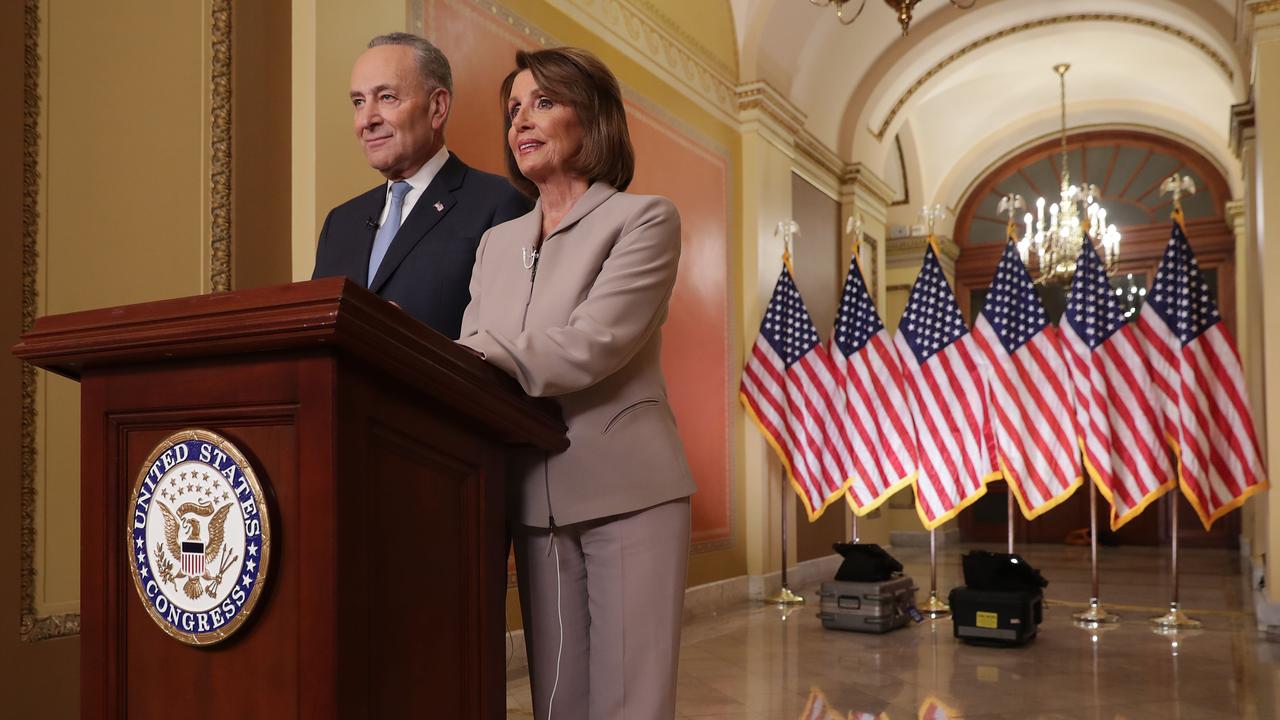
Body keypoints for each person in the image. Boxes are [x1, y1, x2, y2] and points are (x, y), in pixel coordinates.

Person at [458, 48, 695, 720]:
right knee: (557, 705)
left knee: (630, 704)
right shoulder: (495, 243)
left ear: (592, 121)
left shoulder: (644, 220)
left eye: (543, 102)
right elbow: (477, 362)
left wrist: (471, 352)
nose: (520, 122)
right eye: (513, 109)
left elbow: (595, 345)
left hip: (630, 491)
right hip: (532, 500)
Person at [312, 32, 530, 339]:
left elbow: (504, 343)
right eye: (359, 102)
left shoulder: (500, 203)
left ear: (437, 107)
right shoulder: (340, 223)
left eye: (386, 97)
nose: (366, 120)